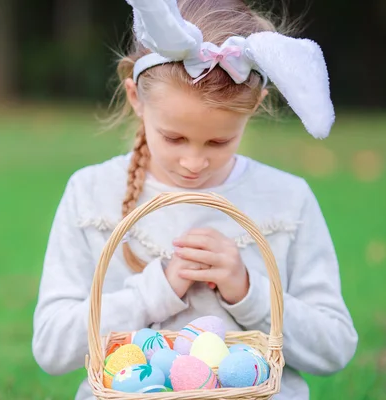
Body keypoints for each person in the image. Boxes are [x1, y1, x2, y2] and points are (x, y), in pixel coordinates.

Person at [31, 0, 358, 399]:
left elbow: (335, 347)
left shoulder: (287, 200)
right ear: (136, 98)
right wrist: (156, 291)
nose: (193, 162)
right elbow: (51, 346)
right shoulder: (91, 193)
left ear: (254, 105)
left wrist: (248, 291)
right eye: (174, 137)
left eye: (218, 141)